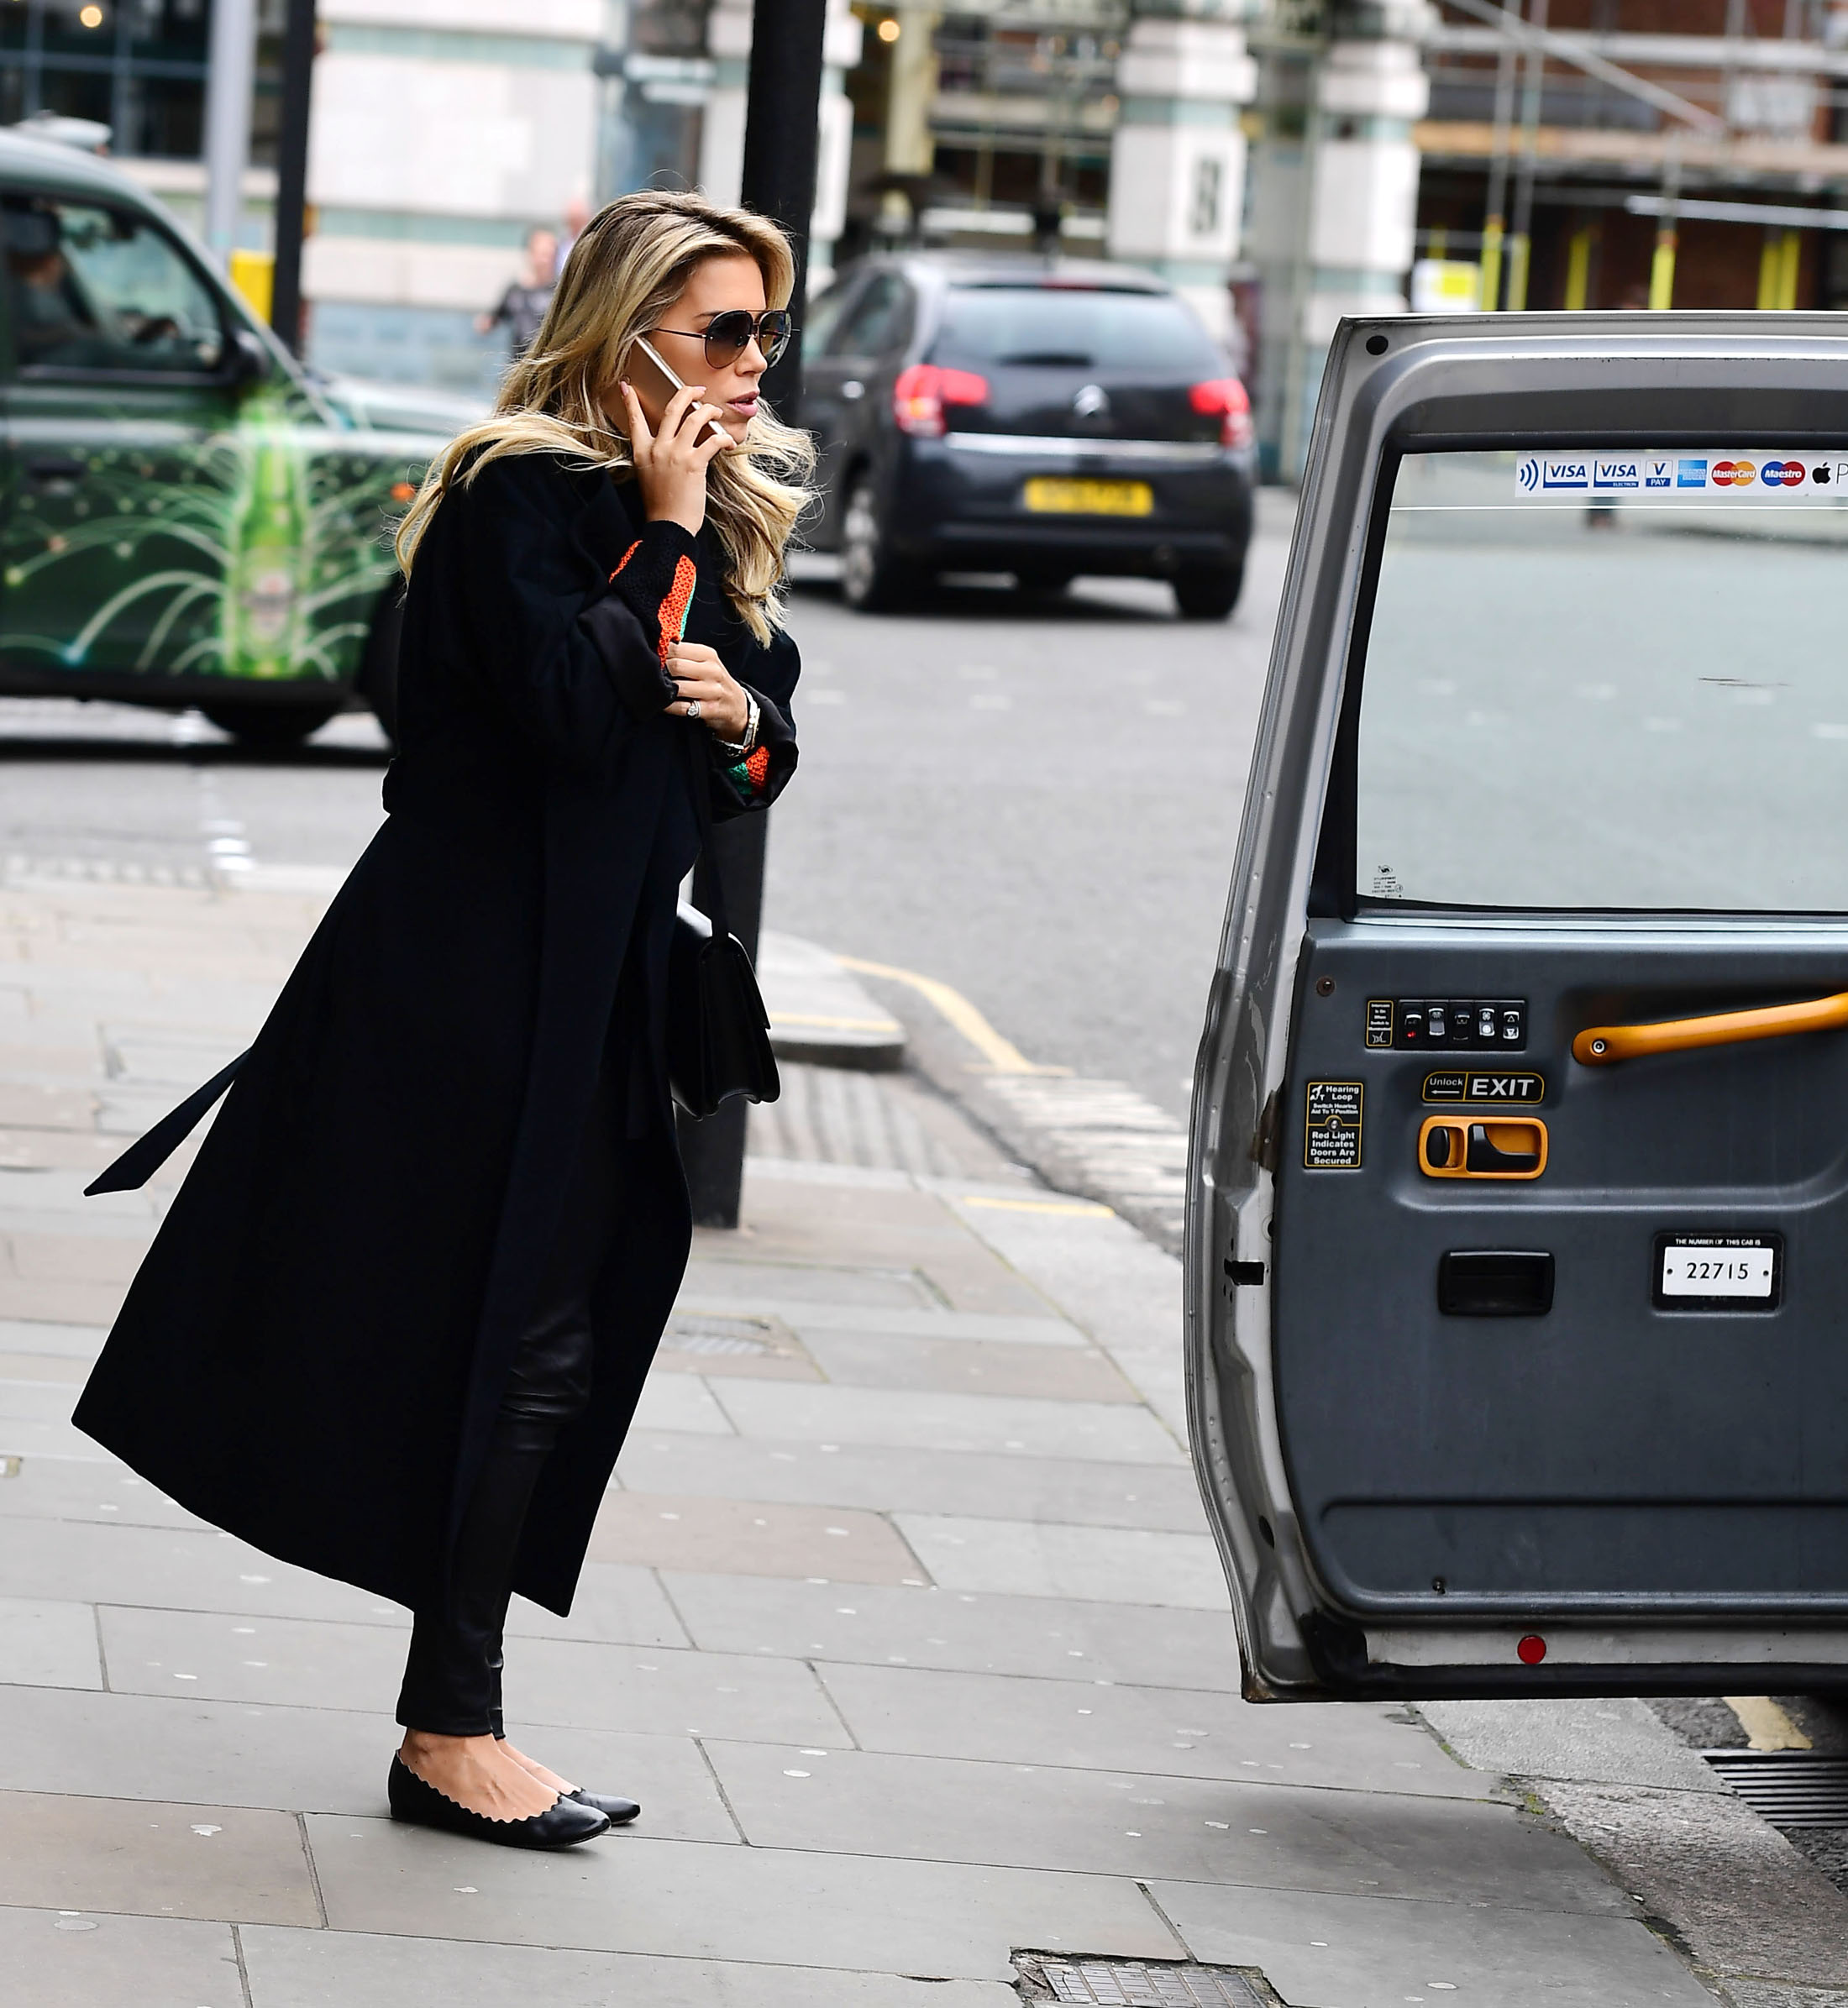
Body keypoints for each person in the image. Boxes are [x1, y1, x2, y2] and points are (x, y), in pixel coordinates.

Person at [72, 189, 812, 1852]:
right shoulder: (517, 494)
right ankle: (451, 1727)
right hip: (472, 977)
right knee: (510, 1332)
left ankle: (453, 1714)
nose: (756, 363)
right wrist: (670, 531)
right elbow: (553, 715)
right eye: (723, 330)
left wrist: (734, 712)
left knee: (555, 1336)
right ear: (625, 339)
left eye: (768, 328)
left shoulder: (716, 505)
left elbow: (754, 740)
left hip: (606, 979)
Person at [476, 226, 559, 356]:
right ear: (531, 253)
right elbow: (494, 317)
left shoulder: (558, 291)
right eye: (543, 253)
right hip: (519, 363)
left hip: (546, 362)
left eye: (551, 253)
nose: (546, 259)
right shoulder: (515, 291)